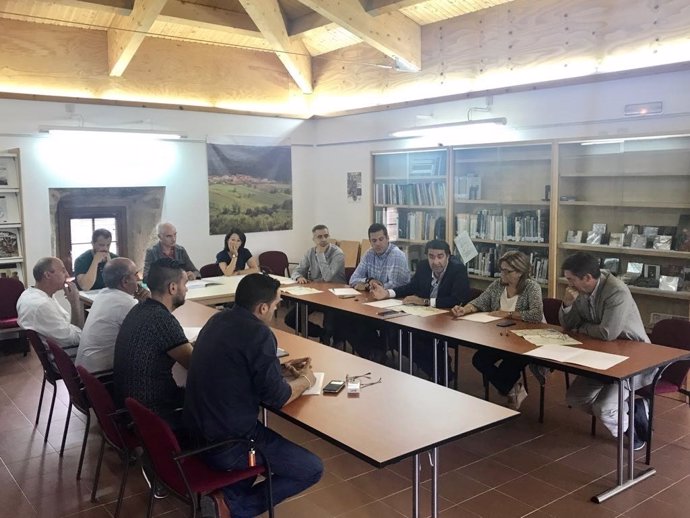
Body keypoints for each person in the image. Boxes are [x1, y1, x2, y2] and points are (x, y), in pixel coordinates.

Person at [184, 273, 323, 518]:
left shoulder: (217, 320)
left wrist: (278, 368)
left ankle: (226, 497)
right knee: (311, 468)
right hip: (231, 443)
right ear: (262, 307)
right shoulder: (259, 333)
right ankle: (232, 508)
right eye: (277, 304)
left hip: (195, 433)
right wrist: (306, 380)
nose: (277, 308)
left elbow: (235, 366)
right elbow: (277, 397)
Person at [560, 252, 653, 450]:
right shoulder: (581, 291)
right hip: (601, 354)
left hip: (633, 358)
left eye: (571, 279)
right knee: (575, 398)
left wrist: (581, 328)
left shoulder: (616, 291)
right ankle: (628, 411)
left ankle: (632, 433)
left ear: (587, 278)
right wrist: (568, 304)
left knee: (604, 408)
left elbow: (607, 332)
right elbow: (568, 325)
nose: (568, 284)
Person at [451, 250, 544, 409]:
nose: (502, 274)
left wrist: (507, 313)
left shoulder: (531, 287)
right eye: (501, 269)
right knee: (479, 360)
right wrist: (465, 309)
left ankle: (509, 388)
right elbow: (480, 301)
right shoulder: (497, 285)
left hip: (525, 342)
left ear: (520, 272)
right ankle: (513, 389)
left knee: (509, 366)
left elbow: (536, 314)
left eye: (507, 271)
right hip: (500, 338)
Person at [370, 239, 471, 379]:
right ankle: (439, 372)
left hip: (448, 321)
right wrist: (388, 293)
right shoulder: (423, 266)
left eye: (440, 256)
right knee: (395, 336)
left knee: (423, 341)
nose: (435, 262)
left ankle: (441, 372)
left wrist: (425, 302)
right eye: (431, 256)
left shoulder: (458, 269)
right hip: (425, 318)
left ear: (448, 256)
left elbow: (458, 299)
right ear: (426, 256)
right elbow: (411, 287)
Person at [113, 258, 193, 432]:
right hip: (155, 413)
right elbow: (194, 364)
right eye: (185, 284)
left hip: (131, 407)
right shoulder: (162, 320)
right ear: (172, 288)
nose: (186, 289)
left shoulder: (139, 309)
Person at [76, 258, 148, 374]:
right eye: (136, 275)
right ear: (125, 281)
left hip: (86, 375)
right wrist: (149, 303)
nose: (138, 279)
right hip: (103, 376)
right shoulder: (126, 303)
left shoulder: (102, 294)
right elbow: (151, 333)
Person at [284, 224, 345, 341]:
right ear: (314, 239)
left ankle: (329, 338)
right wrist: (299, 277)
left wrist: (320, 255)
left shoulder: (338, 253)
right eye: (319, 237)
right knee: (291, 319)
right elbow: (297, 270)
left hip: (335, 296)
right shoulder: (310, 252)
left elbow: (327, 277)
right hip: (315, 293)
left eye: (326, 236)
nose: (323, 239)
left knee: (330, 324)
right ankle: (321, 333)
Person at [17, 257, 84, 358]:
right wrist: (75, 303)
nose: (67, 275)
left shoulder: (30, 294)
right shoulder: (42, 305)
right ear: (48, 275)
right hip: (68, 359)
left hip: (61, 353)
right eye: (63, 271)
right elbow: (76, 339)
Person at [349, 223, 411, 290]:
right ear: (370, 242)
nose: (377, 244)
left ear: (387, 238)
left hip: (396, 298)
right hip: (376, 297)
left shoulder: (397, 255)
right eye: (374, 241)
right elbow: (353, 280)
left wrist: (368, 287)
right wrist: (369, 280)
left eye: (381, 239)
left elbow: (395, 286)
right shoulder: (369, 254)